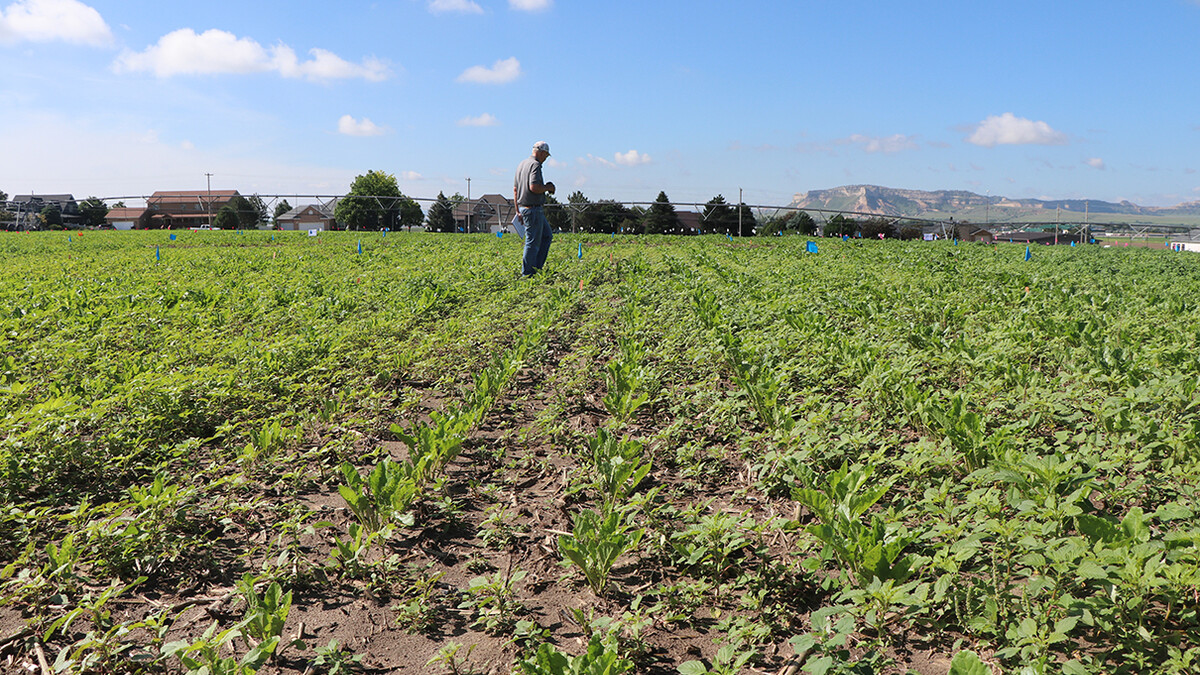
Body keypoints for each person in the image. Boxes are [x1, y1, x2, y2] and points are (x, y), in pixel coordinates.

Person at [513, 141, 556, 276]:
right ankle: (528, 274)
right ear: (541, 152)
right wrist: (548, 187)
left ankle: (536, 268)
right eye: (546, 155)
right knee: (532, 243)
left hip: (524, 208)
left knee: (547, 236)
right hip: (533, 209)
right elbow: (534, 187)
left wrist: (517, 210)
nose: (545, 159)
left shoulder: (521, 164)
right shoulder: (535, 165)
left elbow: (515, 190)